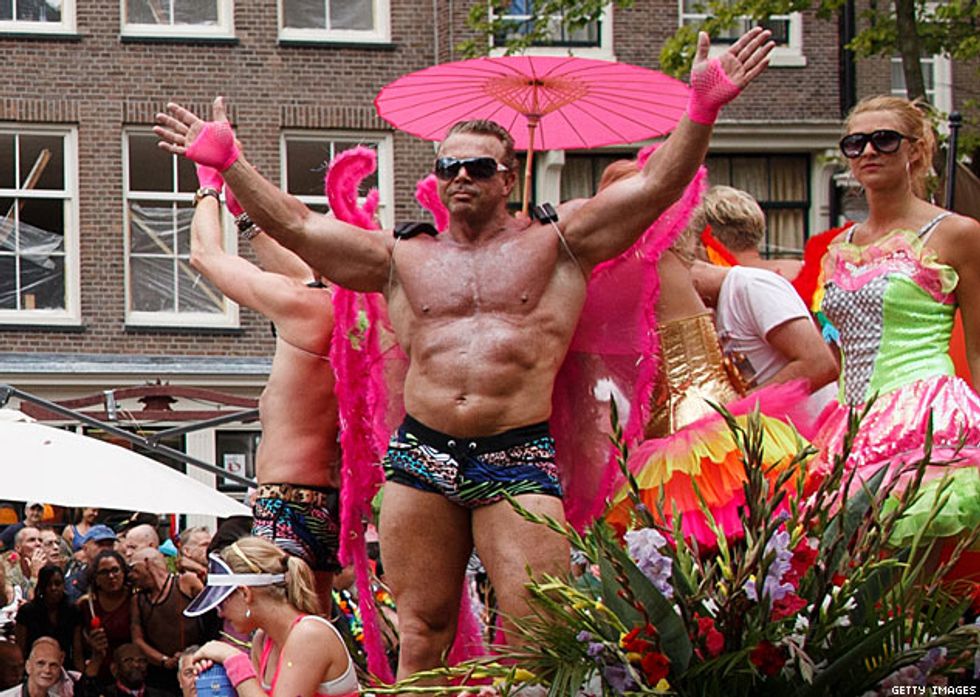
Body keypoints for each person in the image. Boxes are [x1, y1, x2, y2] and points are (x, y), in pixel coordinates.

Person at [155, 27, 774, 681]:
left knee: (539, 635)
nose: (460, 178)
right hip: (422, 455)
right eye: (447, 167)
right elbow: (299, 225)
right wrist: (230, 165)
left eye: (477, 167)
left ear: (509, 176)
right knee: (422, 635)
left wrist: (701, 110)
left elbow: (654, 189)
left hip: (517, 454)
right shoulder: (402, 257)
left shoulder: (558, 243)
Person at [600, 160, 809, 546]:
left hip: (695, 437)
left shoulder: (650, 258)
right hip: (683, 429)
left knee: (712, 553)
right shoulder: (649, 259)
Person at [811, 95, 980, 543]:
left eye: (884, 140)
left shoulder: (957, 234)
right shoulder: (839, 246)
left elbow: (979, 349)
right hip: (851, 425)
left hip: (925, 421)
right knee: (854, 571)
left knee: (914, 568)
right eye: (855, 143)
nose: (868, 151)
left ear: (916, 150)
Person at [188, 167, 341, 613]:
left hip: (285, 501)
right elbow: (306, 273)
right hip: (329, 503)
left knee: (274, 623)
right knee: (316, 620)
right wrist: (248, 220)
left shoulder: (305, 306)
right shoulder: (361, 313)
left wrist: (208, 188)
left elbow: (205, 255)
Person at [689, 185, 839, 416]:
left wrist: (731, 415)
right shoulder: (738, 287)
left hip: (808, 433)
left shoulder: (752, 285)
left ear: (703, 243)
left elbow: (821, 365)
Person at [184, 536, 358, 697]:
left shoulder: (309, 634)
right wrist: (216, 677)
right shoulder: (262, 639)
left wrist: (232, 659)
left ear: (245, 593)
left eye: (221, 602)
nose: (220, 613)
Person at [129, 548, 204, 695]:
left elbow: (212, 612)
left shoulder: (185, 583)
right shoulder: (138, 600)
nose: (132, 576)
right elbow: (137, 640)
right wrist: (164, 660)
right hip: (161, 674)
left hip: (197, 663)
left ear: (148, 564)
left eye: (135, 569)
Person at [78, 550, 131, 688]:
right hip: (100, 670)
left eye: (115, 570)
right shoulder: (86, 605)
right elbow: (78, 645)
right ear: (96, 578)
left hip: (131, 671)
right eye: (104, 572)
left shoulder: (135, 600)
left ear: (124, 572)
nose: (111, 576)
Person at [14, 566, 83, 672]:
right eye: (48, 584)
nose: (53, 588)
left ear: (63, 585)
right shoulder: (27, 612)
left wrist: (81, 675)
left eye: (57, 584)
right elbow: (20, 649)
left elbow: (77, 649)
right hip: (33, 669)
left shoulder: (73, 611)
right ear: (41, 587)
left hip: (64, 668)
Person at [65, 525, 119, 604]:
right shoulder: (73, 583)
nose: (106, 549)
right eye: (100, 544)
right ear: (85, 548)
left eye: (110, 544)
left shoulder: (122, 579)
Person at [105, 644, 169, 697]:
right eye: (128, 660)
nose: (137, 665)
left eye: (141, 660)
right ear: (114, 668)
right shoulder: (106, 694)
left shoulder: (162, 695)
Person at [4, 528, 46, 603]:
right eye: (32, 540)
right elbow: (30, 602)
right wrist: (34, 575)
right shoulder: (9, 575)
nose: (38, 544)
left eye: (40, 540)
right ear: (18, 548)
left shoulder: (50, 569)